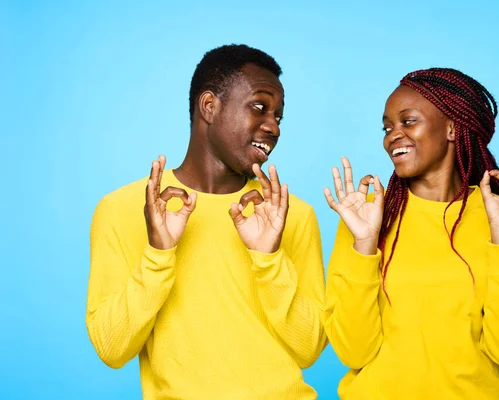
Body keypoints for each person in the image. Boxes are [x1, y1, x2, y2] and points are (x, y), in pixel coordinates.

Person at [86, 44, 327, 399]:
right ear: (209, 107)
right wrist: (158, 254)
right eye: (260, 108)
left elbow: (309, 348)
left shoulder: (289, 214)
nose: (273, 126)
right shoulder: (123, 208)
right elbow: (112, 348)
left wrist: (270, 259)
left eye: (279, 116)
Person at [323, 68, 499, 399]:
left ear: (452, 128)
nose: (392, 136)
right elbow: (353, 352)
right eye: (387, 127)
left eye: (408, 121)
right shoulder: (366, 220)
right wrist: (364, 244)